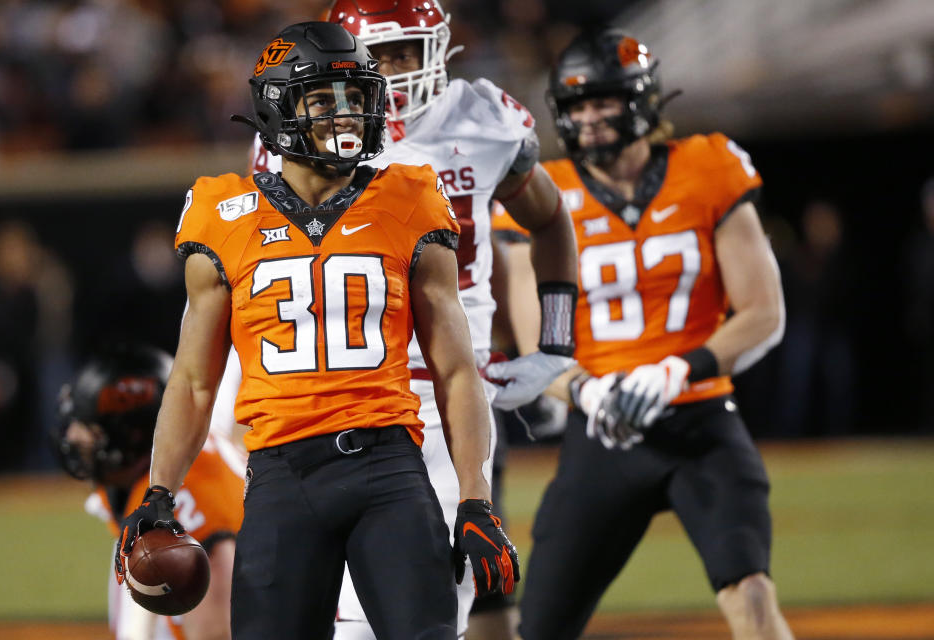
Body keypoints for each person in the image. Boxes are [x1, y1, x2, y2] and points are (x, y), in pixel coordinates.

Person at [112, 22, 518, 640]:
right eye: (323, 99)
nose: (345, 114)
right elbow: (194, 381)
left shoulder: (411, 198)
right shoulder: (223, 214)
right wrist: (160, 492)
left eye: (355, 97)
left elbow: (456, 370)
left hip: (390, 468)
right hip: (282, 474)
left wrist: (474, 497)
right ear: (279, 107)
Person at [246, 3, 580, 638]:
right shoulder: (300, 130)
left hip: (448, 395)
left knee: (424, 611)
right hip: (336, 388)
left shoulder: (484, 120)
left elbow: (550, 218)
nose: (399, 68)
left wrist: (555, 343)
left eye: (410, 50)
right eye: (385, 53)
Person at [499, 26, 795, 640]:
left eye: (603, 100)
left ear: (641, 99)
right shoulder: (545, 196)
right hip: (601, 432)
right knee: (540, 628)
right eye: (576, 106)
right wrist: (590, 394)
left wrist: (679, 369)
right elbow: (536, 343)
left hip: (700, 420)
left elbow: (764, 313)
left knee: (754, 597)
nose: (589, 118)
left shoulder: (709, 166)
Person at [52, 344, 244, 640]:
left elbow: (216, 630)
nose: (73, 436)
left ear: (131, 434)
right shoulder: (172, 473)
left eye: (88, 427)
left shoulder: (185, 492)